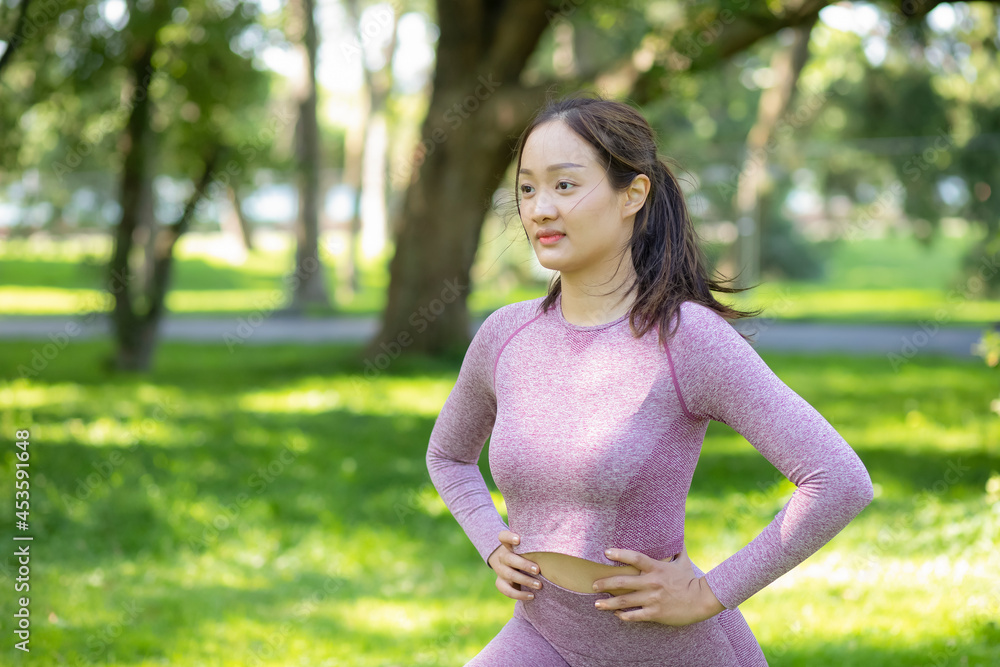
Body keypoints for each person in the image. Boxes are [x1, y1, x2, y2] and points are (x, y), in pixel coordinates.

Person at [425, 94, 874, 667]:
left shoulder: (686, 338)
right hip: (543, 635)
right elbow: (449, 456)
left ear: (632, 195)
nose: (538, 209)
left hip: (669, 652)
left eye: (565, 185)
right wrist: (492, 542)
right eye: (528, 188)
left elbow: (838, 479)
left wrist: (711, 593)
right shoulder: (505, 336)